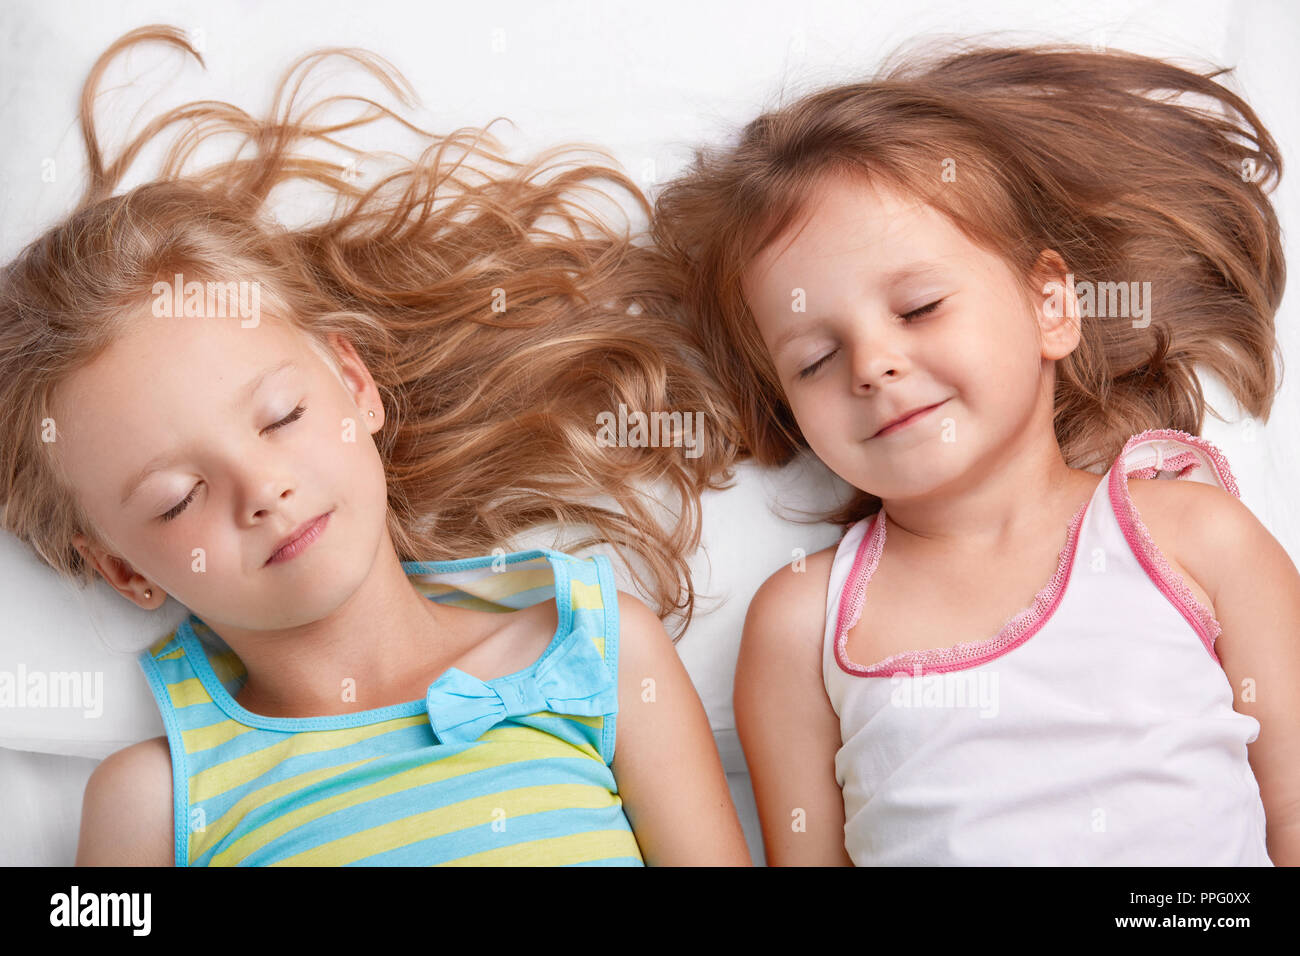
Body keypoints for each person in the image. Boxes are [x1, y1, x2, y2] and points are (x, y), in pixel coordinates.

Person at [0, 24, 751, 866]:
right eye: (179, 498)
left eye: (281, 416)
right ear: (125, 570)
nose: (263, 490)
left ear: (356, 387)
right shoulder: (154, 799)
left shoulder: (598, 653)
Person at [650, 42, 1300, 865]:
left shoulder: (1194, 536)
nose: (871, 365)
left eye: (918, 308)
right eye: (814, 360)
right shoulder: (800, 624)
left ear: (1051, 307)